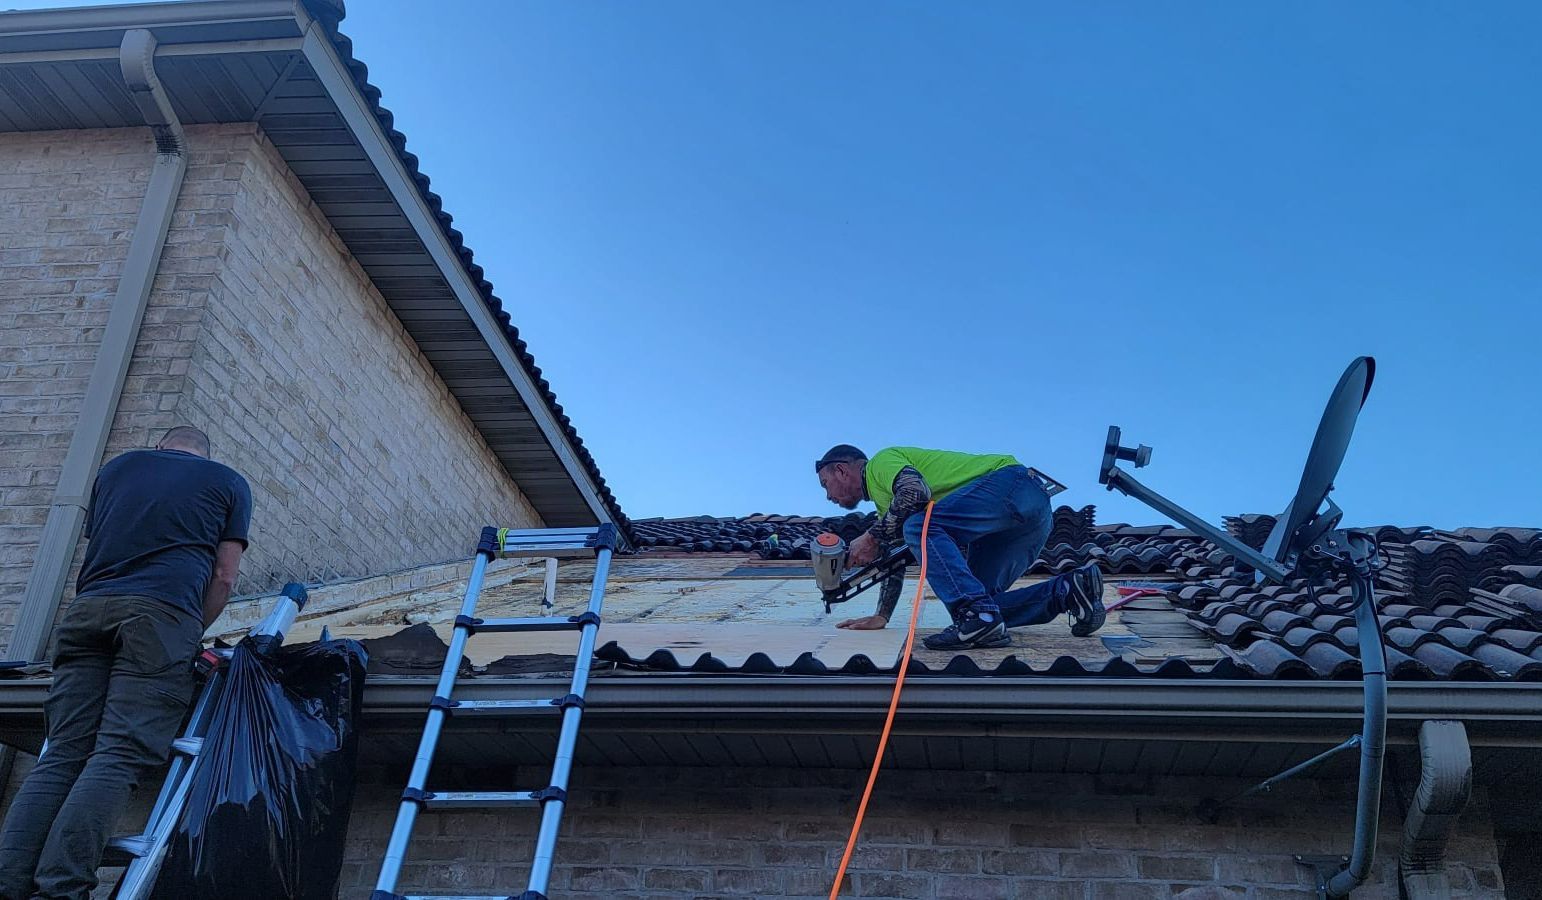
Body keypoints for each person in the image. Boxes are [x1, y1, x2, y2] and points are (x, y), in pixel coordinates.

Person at [0, 426, 251, 900]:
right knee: (117, 755)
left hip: (88, 611)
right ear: (204, 454)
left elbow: (98, 547)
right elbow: (223, 577)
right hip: (161, 615)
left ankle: (8, 884)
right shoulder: (228, 482)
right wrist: (187, 631)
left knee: (62, 754)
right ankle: (61, 889)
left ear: (160, 447)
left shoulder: (115, 471)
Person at [815, 444, 1104, 650]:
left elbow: (915, 492)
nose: (828, 496)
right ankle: (1068, 591)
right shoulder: (887, 507)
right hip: (1033, 514)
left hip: (1011, 486)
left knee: (918, 527)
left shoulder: (880, 464)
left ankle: (978, 617)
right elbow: (897, 559)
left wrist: (871, 537)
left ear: (841, 470)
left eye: (825, 484)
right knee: (982, 606)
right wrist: (882, 615)